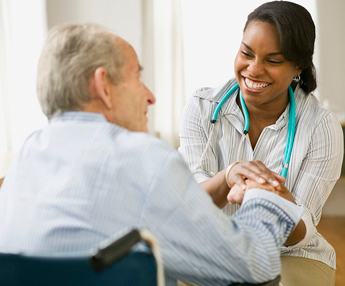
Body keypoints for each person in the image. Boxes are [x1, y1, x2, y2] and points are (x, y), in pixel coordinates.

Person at [0, 23, 303, 286]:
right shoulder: (143, 159)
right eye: (137, 77)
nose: (150, 96)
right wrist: (264, 197)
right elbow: (253, 267)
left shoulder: (25, 158)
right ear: (103, 86)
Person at [179, 2, 343, 286]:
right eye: (246, 53)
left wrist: (271, 198)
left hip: (292, 254)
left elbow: (302, 231)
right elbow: (188, 206)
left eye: (273, 61)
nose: (253, 69)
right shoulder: (201, 108)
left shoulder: (321, 126)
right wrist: (228, 177)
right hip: (213, 248)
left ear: (298, 68)